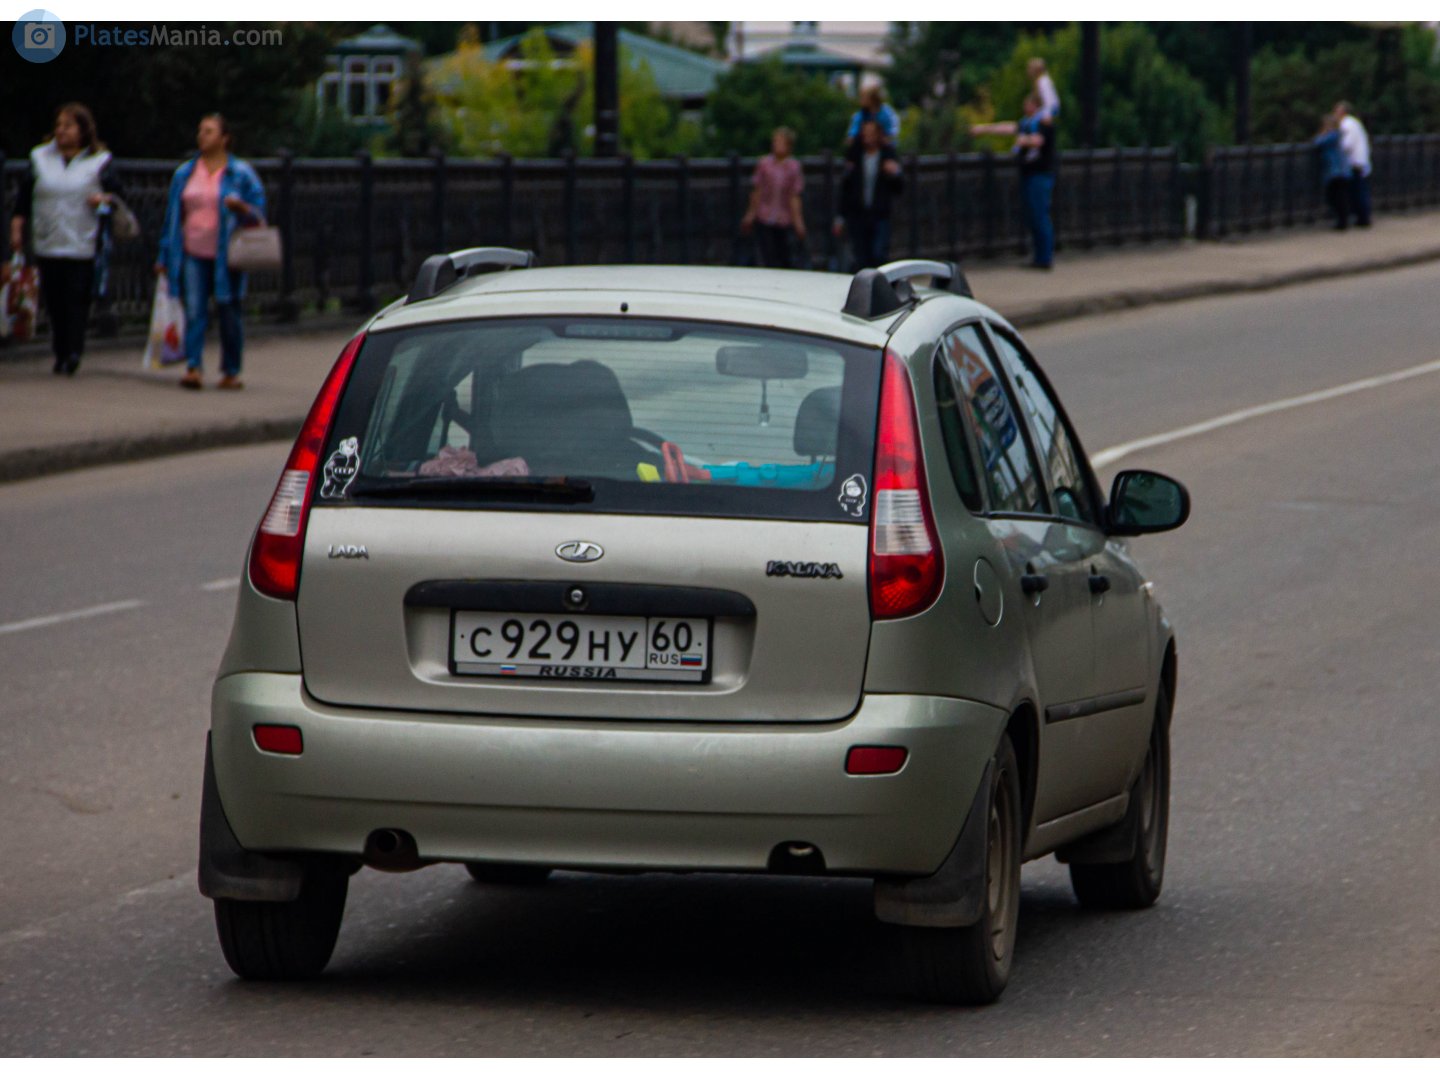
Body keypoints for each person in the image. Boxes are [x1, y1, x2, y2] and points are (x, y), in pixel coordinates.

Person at [8, 103, 124, 375]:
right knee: (55, 300)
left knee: (77, 299)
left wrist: (103, 200)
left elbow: (118, 198)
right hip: (48, 239)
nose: (61, 131)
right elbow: (24, 198)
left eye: (68, 126)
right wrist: (17, 229)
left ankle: (73, 351)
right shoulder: (40, 158)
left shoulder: (100, 162)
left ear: (83, 130)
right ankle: (60, 350)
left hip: (82, 240)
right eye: (59, 125)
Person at [155, 113, 267, 390]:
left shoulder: (240, 173)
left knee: (229, 310)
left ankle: (231, 371)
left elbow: (259, 212)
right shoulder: (185, 173)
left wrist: (243, 209)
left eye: (209, 131)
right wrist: (164, 256)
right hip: (192, 251)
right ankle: (193, 367)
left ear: (224, 138)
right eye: (200, 131)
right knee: (194, 310)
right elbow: (172, 218)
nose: (201, 136)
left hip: (227, 255)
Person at [973, 95, 1057, 269]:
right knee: (1033, 216)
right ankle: (1038, 257)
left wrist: (1023, 141)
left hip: (1040, 174)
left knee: (1040, 215)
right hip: (1028, 173)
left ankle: (1045, 258)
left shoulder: (1044, 123)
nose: (1025, 107)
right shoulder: (1026, 123)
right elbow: (1008, 127)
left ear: (1036, 106)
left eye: (1028, 104)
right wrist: (984, 129)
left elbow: (1039, 141)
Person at [833, 119, 904, 270]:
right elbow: (846, 189)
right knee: (860, 256)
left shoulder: (887, 156)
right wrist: (840, 217)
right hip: (858, 215)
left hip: (880, 214)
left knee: (879, 254)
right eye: (865, 133)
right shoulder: (855, 157)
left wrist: (895, 173)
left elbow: (899, 188)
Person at [740, 127, 807, 268]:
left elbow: (794, 195)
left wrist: (798, 222)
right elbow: (757, 190)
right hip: (764, 215)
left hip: (784, 218)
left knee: (784, 256)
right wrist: (750, 214)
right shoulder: (764, 164)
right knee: (765, 255)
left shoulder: (793, 167)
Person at [1334, 101, 1372, 228]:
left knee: (1357, 191)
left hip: (1354, 162)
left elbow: (1347, 144)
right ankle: (1363, 216)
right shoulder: (1355, 123)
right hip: (1361, 160)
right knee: (1360, 189)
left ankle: (1363, 218)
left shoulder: (1346, 124)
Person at [1314, 115, 1350, 230]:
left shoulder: (1332, 135)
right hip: (1340, 170)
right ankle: (1342, 220)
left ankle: (1341, 221)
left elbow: (1318, 142)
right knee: (1339, 197)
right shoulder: (1338, 135)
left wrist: (1321, 134)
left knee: (1335, 197)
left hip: (1335, 171)